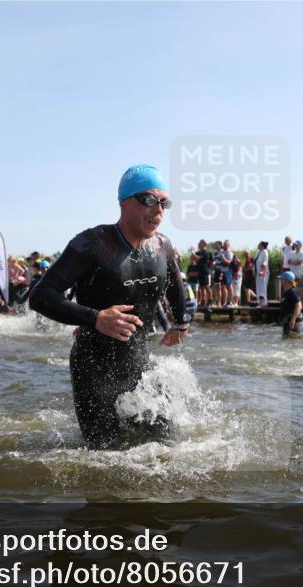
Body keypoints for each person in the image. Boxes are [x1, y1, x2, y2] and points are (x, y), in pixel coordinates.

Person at [28, 164, 189, 447]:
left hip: (139, 365)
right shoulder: (92, 244)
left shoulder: (163, 246)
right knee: (105, 458)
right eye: (149, 200)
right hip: (94, 371)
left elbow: (176, 288)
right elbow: (41, 296)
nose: (158, 210)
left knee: (169, 447)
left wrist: (181, 322)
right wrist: (96, 318)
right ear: (124, 202)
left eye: (164, 203)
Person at [277, 270, 303, 338]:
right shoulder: (286, 292)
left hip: (294, 322)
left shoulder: (292, 292)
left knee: (294, 343)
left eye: (282, 279)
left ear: (286, 280)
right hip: (287, 321)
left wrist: (293, 320)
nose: (281, 280)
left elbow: (299, 306)